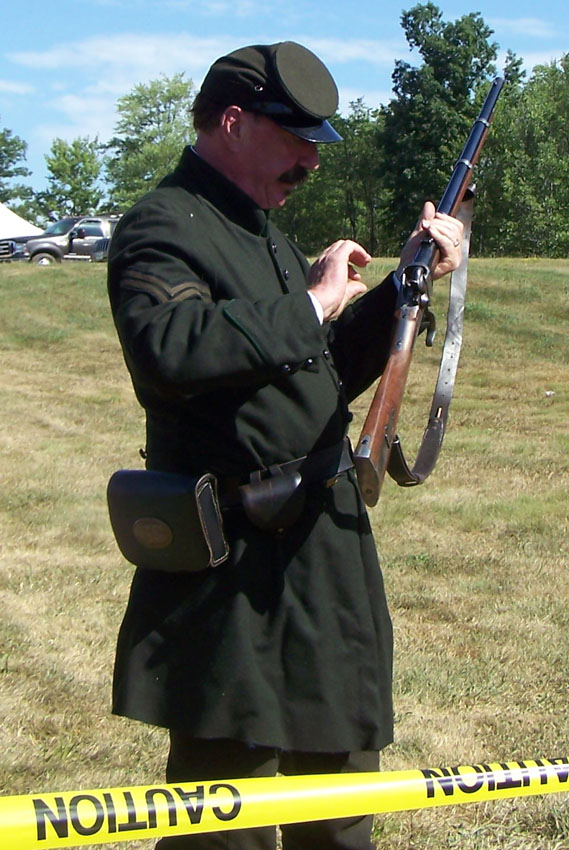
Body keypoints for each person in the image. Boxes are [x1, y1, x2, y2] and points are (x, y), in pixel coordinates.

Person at [107, 40, 463, 850]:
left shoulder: (258, 231)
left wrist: (399, 294)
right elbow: (169, 348)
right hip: (230, 561)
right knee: (220, 825)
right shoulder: (163, 225)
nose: (310, 159)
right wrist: (309, 302)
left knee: (337, 802)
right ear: (232, 122)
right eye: (294, 137)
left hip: (317, 545)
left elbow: (318, 375)